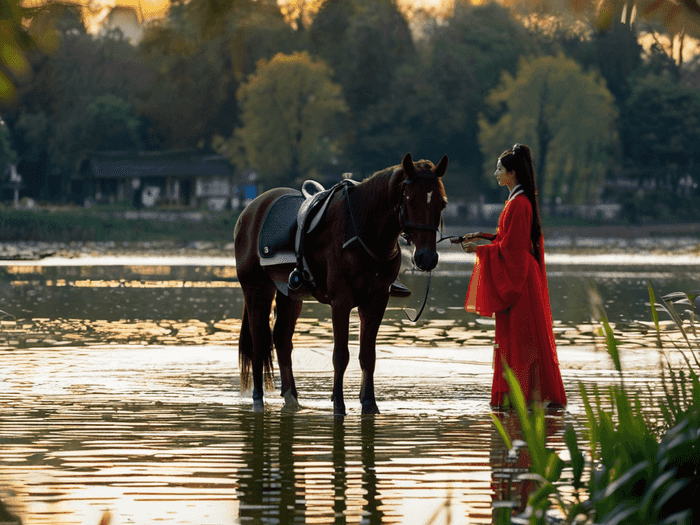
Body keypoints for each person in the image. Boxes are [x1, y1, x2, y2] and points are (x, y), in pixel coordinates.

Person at [461, 144, 566, 409]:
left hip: (521, 282)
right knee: (515, 341)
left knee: (522, 343)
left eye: (500, 169)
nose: (496, 173)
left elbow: (513, 249)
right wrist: (482, 238)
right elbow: (507, 240)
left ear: (513, 173)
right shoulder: (516, 201)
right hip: (520, 277)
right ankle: (518, 401)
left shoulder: (519, 204)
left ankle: (527, 399)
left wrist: (481, 251)